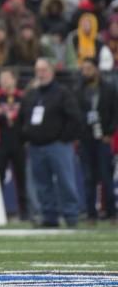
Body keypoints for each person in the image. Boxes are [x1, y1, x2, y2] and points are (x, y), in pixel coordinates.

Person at [21, 59, 82, 228]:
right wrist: (26, 136)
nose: (40, 73)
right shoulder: (32, 94)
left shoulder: (62, 93)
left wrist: (64, 138)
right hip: (36, 146)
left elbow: (75, 118)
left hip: (58, 145)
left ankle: (71, 216)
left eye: (44, 69)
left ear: (52, 71)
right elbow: (23, 117)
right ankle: (49, 216)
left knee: (65, 181)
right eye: (37, 70)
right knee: (42, 184)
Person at [76, 58, 118, 223]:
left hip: (103, 138)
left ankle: (112, 212)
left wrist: (109, 133)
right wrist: (79, 135)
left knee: (106, 176)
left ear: (96, 69)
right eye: (83, 69)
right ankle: (91, 213)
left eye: (89, 68)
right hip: (86, 139)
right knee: (88, 177)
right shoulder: (78, 90)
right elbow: (76, 115)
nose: (85, 72)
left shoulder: (108, 89)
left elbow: (115, 112)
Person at [0, 69, 29, 221]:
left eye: (7, 78)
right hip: (1, 142)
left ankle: (25, 212)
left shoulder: (22, 97)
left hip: (19, 142)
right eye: (1, 79)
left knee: (21, 179)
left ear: (14, 80)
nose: (4, 82)